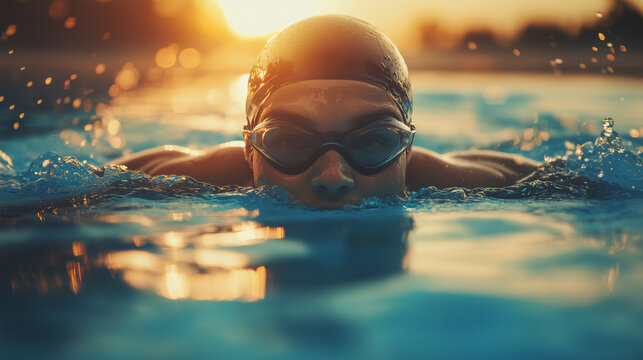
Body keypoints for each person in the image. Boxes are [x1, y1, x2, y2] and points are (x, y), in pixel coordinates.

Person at [110, 15, 538, 208]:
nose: (333, 178)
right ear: (249, 149)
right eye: (290, 141)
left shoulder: (464, 182)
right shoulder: (184, 176)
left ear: (407, 149)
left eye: (372, 142)